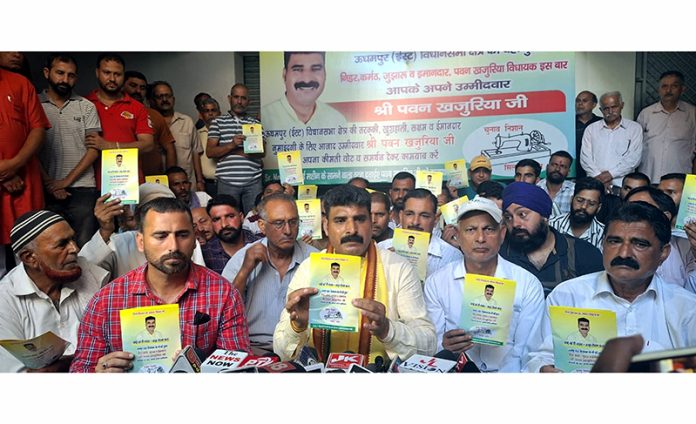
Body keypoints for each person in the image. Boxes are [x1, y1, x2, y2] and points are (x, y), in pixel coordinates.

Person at [70, 197, 251, 372]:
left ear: (195, 240)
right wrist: (99, 374)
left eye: (182, 235)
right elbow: (80, 369)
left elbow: (238, 370)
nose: (173, 246)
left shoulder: (223, 294)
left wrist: (202, 370)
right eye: (161, 236)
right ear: (141, 242)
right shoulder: (106, 301)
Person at [525, 202, 696, 372]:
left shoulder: (686, 307)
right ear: (603, 244)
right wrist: (543, 370)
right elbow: (538, 357)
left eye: (639, 244)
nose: (624, 253)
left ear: (663, 253)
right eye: (614, 241)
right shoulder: (568, 295)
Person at [273, 184, 436, 363]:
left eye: (359, 219)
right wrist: (297, 325)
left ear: (370, 222)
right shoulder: (309, 268)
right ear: (326, 226)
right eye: (341, 220)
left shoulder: (398, 268)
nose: (352, 229)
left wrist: (388, 330)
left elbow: (428, 346)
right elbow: (281, 351)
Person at [423, 196, 545, 372]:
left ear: (502, 234)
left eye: (488, 229)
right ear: (457, 235)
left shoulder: (527, 284)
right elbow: (432, 346)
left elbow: (529, 352)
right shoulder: (437, 282)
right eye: (471, 230)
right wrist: (444, 346)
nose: (480, 238)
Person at [0, 211, 109, 372]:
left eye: (73, 239)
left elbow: (110, 345)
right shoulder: (5, 300)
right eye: (62, 244)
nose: (75, 248)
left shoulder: (88, 272)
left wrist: (61, 366)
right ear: (30, 258)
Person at [221, 193, 317, 355]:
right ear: (262, 226)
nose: (288, 230)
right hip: (252, 348)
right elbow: (224, 310)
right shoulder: (243, 257)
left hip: (298, 348)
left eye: (293, 222)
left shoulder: (314, 259)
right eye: (279, 223)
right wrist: (245, 269)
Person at [79, 183, 205, 281]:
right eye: (161, 235)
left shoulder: (186, 240)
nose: (173, 246)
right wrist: (105, 231)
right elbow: (86, 271)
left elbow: (199, 277)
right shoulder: (119, 242)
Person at [37, 53, 100, 248]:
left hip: (83, 188)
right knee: (51, 248)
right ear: (47, 73)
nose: (65, 79)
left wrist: (65, 182)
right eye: (60, 73)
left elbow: (94, 149)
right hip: (44, 189)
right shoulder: (33, 104)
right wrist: (50, 184)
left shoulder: (86, 107)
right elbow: (28, 149)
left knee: (86, 247)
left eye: (71, 75)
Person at [500, 182, 603, 294]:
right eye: (508, 217)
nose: (515, 224)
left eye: (522, 214)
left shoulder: (585, 254)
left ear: (545, 216)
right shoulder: (500, 254)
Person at [0, 64, 50, 278]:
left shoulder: (20, 83)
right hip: (11, 179)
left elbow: (38, 129)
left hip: (24, 183)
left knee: (31, 250)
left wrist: (14, 164)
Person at [84, 54, 154, 187]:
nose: (112, 79)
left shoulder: (137, 107)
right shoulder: (84, 104)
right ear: (97, 72)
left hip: (128, 183)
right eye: (106, 73)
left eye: (117, 74)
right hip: (91, 184)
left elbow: (148, 144)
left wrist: (110, 146)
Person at [378, 189, 463, 279]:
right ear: (401, 216)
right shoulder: (382, 249)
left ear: (435, 220)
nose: (415, 222)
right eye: (409, 214)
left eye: (424, 216)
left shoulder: (452, 256)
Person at [624, 185, 696, 292]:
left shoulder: (686, 247)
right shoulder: (612, 245)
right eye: (628, 209)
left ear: (665, 216)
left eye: (641, 209)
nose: (632, 216)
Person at [206, 83, 263, 214]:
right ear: (229, 98)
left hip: (253, 181)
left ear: (248, 101)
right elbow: (210, 152)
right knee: (228, 220)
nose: (239, 101)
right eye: (236, 97)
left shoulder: (255, 123)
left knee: (255, 220)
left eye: (243, 98)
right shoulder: (217, 122)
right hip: (227, 182)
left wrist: (234, 151)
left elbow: (262, 152)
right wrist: (232, 145)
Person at [637, 71, 696, 182]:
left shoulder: (692, 113)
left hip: (680, 178)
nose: (668, 90)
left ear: (682, 89)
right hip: (649, 176)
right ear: (659, 90)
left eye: (674, 86)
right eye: (664, 86)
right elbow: (636, 146)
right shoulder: (646, 113)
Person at [580, 91, 643, 195]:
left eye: (614, 107)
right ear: (601, 110)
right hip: (595, 183)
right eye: (606, 108)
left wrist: (609, 175)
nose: (610, 111)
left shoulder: (634, 128)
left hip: (622, 185)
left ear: (622, 105)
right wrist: (599, 178)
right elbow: (585, 158)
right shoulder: (591, 129)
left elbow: (634, 158)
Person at [261, 51, 347, 127]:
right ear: (284, 75)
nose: (307, 80)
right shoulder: (264, 117)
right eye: (298, 69)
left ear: (325, 74)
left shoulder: (337, 121)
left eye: (315, 69)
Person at [150, 81, 205, 192]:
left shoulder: (187, 121)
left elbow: (195, 153)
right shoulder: (148, 123)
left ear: (173, 99)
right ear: (153, 100)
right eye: (160, 96)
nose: (165, 99)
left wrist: (200, 181)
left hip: (187, 184)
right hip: (158, 184)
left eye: (168, 96)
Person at [123, 71, 177, 177]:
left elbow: (170, 148)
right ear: (122, 86)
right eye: (133, 86)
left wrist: (171, 177)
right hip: (122, 177)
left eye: (142, 88)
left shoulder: (155, 115)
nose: (138, 91)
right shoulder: (113, 112)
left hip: (153, 178)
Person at [201, 194, 262, 274]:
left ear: (241, 217)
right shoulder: (205, 253)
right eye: (217, 219)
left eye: (230, 216)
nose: (224, 224)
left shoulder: (259, 244)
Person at [549, 177, 606, 251]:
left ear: (599, 207)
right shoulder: (551, 225)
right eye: (580, 200)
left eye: (591, 204)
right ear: (571, 199)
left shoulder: (603, 235)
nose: (584, 206)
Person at [536, 151, 575, 217]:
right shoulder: (536, 188)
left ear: (568, 172)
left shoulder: (574, 191)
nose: (557, 169)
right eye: (554, 165)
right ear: (547, 167)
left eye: (562, 166)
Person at [575, 90, 603, 179]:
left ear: (594, 105)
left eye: (584, 101)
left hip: (596, 169)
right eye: (578, 101)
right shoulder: (569, 122)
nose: (580, 104)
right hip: (573, 168)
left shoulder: (601, 123)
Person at [197, 97, 222, 195]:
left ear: (219, 113)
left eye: (213, 110)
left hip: (226, 183)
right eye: (206, 111)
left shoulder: (227, 133)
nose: (210, 114)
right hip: (207, 184)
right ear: (201, 115)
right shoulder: (197, 134)